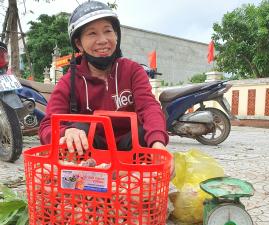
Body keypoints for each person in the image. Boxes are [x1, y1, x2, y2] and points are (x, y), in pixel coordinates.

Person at [39, 0, 174, 175]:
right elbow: (47, 126)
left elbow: (149, 107)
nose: (103, 40)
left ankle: (140, 181)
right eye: (92, 33)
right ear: (79, 44)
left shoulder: (132, 71)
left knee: (143, 134)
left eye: (108, 31)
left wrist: (158, 144)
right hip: (90, 160)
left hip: (131, 155)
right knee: (80, 129)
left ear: (116, 36)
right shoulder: (68, 82)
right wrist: (66, 132)